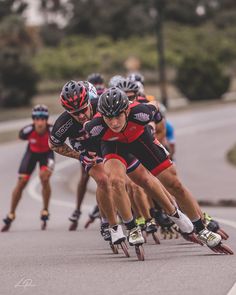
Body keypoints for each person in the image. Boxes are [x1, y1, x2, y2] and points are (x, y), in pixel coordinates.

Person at [84, 87, 233, 254]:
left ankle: (201, 229)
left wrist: (154, 130)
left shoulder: (141, 112)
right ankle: (132, 227)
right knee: (116, 182)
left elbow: (155, 107)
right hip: (113, 146)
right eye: (108, 118)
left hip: (140, 139)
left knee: (174, 184)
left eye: (117, 116)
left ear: (126, 110)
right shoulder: (94, 127)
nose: (114, 123)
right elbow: (88, 148)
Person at [48, 80, 144, 249]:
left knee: (120, 179)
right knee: (102, 180)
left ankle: (122, 218)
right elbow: (54, 145)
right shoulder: (64, 123)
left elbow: (127, 109)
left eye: (83, 110)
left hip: (103, 141)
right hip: (84, 147)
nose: (81, 116)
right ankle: (110, 224)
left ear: (89, 102)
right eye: (74, 113)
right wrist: (79, 156)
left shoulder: (100, 104)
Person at [1, 105, 54, 232]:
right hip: (31, 153)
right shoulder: (27, 131)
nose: (40, 122)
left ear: (47, 120)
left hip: (47, 154)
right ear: (33, 120)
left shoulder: (52, 130)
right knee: (22, 182)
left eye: (43, 119)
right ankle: (11, 213)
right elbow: (21, 137)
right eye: (37, 118)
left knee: (44, 178)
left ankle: (45, 209)